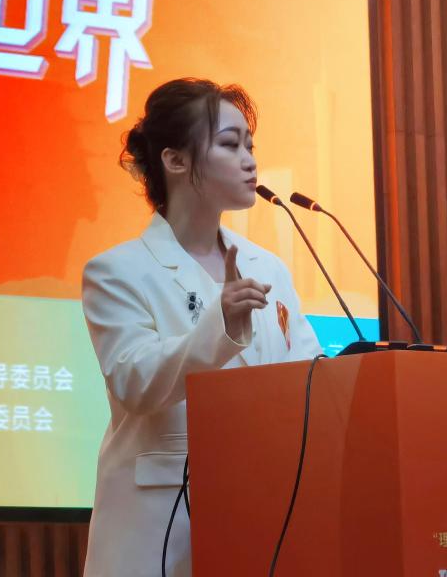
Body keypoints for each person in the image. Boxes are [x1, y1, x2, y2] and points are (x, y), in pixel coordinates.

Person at [81, 77, 325, 577]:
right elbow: (135, 381)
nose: (250, 161)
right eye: (230, 145)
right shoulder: (118, 271)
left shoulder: (268, 266)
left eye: (250, 146)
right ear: (175, 161)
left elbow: (309, 378)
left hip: (262, 517)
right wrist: (221, 325)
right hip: (160, 529)